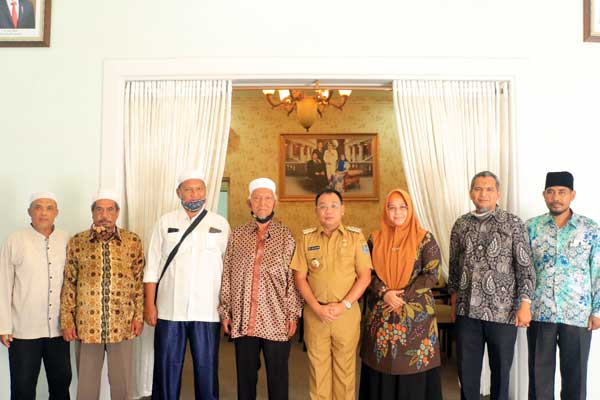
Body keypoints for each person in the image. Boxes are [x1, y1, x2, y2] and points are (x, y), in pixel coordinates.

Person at [144, 170, 230, 400]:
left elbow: (228, 271)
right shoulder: (165, 222)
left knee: (206, 368)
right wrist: (149, 305)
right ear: (178, 192)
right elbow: (151, 266)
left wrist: (227, 309)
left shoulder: (220, 224)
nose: (194, 194)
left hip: (208, 311)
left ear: (206, 191)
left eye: (199, 189)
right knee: (166, 367)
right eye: (188, 189)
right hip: (170, 309)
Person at [448, 170, 535, 400]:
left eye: (489, 189)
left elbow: (525, 267)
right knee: (467, 374)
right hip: (467, 313)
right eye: (478, 188)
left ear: (498, 194)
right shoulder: (460, 224)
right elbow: (454, 266)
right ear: (470, 193)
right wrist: (454, 299)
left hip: (502, 312)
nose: (483, 193)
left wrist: (525, 304)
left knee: (501, 375)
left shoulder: (513, 223)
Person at [219, 177, 303, 400]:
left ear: (274, 202)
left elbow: (294, 280)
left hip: (276, 318)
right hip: (244, 319)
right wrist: (225, 312)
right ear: (250, 204)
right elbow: (227, 275)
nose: (262, 203)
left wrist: (292, 314)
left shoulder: (286, 237)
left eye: (267, 198)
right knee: (245, 379)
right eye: (257, 198)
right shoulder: (236, 236)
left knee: (278, 378)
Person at [60, 191, 145, 400]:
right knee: (87, 387)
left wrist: (138, 316)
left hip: (122, 323)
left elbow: (138, 282)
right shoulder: (78, 242)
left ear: (117, 213)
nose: (104, 214)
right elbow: (69, 282)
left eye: (109, 210)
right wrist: (67, 320)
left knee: (122, 384)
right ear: (92, 213)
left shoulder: (132, 241)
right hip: (87, 325)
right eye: (99, 209)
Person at [359, 189, 443, 400]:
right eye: (391, 207)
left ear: (410, 209)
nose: (397, 212)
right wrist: (385, 293)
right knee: (382, 366)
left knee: (411, 367)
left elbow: (432, 273)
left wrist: (402, 297)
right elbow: (366, 272)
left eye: (402, 207)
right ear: (385, 210)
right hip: (382, 312)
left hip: (416, 316)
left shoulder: (424, 238)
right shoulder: (374, 239)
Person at [290, 188, 372, 400]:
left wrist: (344, 304)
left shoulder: (356, 238)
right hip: (316, 313)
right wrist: (317, 308)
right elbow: (300, 278)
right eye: (323, 206)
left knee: (345, 370)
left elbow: (365, 277)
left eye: (334, 206)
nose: (328, 211)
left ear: (342, 210)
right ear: (316, 210)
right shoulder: (306, 238)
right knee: (318, 370)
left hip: (346, 312)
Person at [527, 171, 600, 400]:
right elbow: (524, 271)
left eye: (561, 192)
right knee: (539, 380)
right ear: (544, 195)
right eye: (550, 192)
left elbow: (598, 270)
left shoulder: (589, 229)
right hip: (540, 312)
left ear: (572, 195)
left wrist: (597, 310)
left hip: (577, 314)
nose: (555, 197)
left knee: (575, 379)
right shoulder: (531, 228)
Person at [0, 192, 71, 400]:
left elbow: (74, 283)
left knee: (60, 386)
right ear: (29, 212)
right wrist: (4, 326)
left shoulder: (67, 239)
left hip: (59, 330)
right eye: (38, 207)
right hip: (23, 330)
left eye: (49, 208)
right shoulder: (15, 239)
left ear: (56, 213)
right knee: (22, 389)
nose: (43, 212)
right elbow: (4, 283)